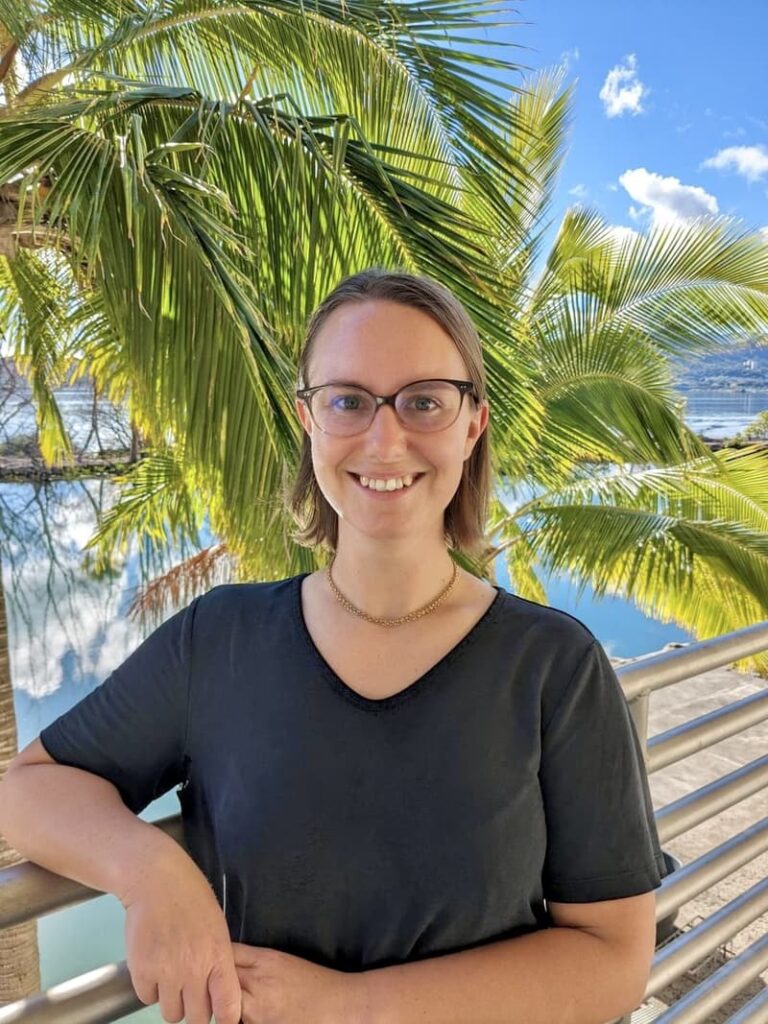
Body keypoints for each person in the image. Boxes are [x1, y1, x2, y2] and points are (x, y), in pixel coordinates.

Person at [0, 268, 665, 1024]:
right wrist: (152, 871)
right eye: (348, 401)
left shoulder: (553, 666)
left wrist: (353, 1005)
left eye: (423, 401)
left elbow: (612, 958)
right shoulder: (220, 640)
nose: (386, 439)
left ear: (472, 423)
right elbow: (27, 789)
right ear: (307, 420)